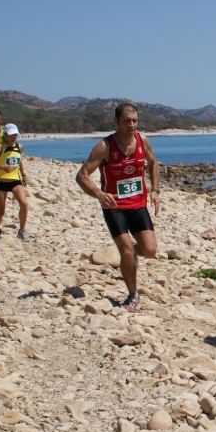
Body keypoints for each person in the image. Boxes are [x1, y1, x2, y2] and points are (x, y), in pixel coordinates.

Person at [76, 103, 160, 312]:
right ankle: (132, 295)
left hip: (138, 204)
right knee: (127, 252)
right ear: (116, 121)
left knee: (149, 251)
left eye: (134, 121)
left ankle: (128, 256)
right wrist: (99, 194)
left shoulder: (143, 140)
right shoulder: (105, 147)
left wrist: (155, 190)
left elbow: (154, 164)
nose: (131, 125)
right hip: (115, 207)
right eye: (126, 121)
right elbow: (82, 175)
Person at [0, 124, 29, 242]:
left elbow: (20, 161)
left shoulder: (19, 147)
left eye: (15, 134)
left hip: (15, 181)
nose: (13, 137)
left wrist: (24, 175)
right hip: (2, 181)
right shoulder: (0, 147)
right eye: (11, 135)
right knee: (0, 211)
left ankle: (22, 231)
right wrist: (2, 167)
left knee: (24, 203)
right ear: (5, 135)